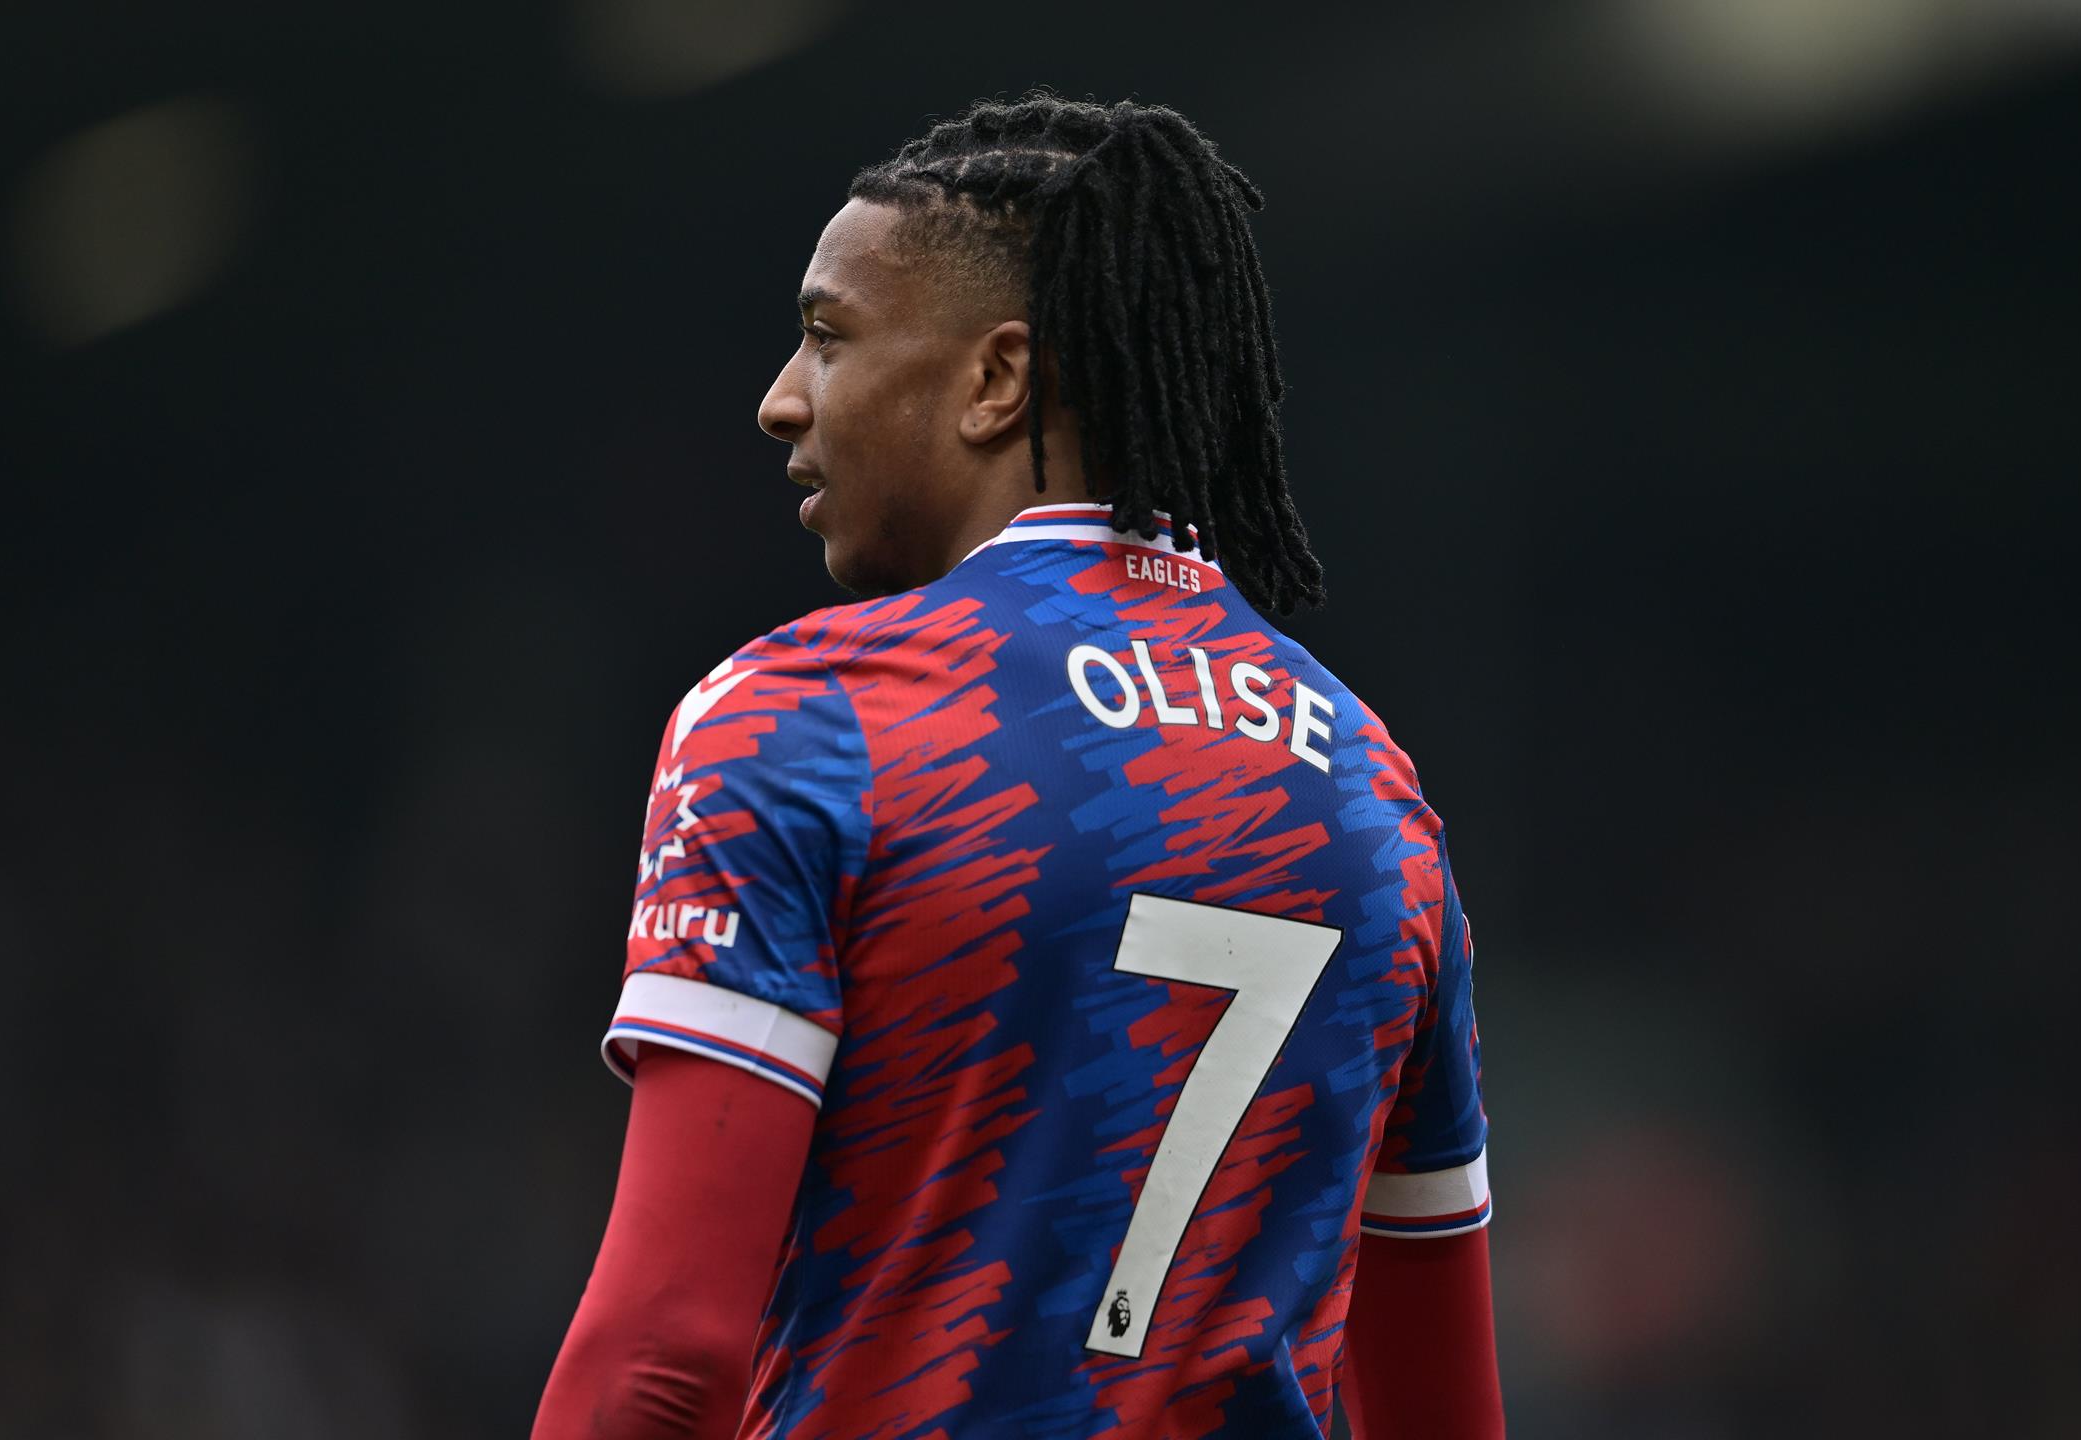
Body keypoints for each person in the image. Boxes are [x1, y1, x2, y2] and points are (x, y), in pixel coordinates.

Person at [533, 93, 1505, 1440]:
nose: (780, 398)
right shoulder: (1373, 796)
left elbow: (663, 1360)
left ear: (996, 381)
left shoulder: (812, 722)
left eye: (828, 335)